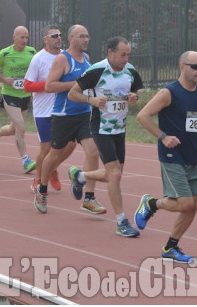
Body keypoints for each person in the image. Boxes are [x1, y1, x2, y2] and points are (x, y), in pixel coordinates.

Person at [134, 51, 197, 263]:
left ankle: (170, 248)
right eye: (195, 66)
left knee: (194, 204)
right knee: (185, 204)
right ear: (182, 66)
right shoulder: (168, 92)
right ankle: (151, 204)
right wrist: (163, 137)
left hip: (193, 155)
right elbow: (142, 116)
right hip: (172, 155)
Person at [67, 36, 143, 237]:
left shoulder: (131, 71)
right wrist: (91, 99)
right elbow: (72, 94)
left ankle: (80, 176)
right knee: (115, 175)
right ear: (110, 52)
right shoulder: (96, 71)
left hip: (120, 128)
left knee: (115, 175)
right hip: (101, 127)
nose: (126, 59)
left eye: (128, 55)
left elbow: (132, 94)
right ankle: (121, 222)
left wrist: (133, 98)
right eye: (122, 55)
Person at [33, 24, 104, 214]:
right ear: (71, 39)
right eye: (81, 36)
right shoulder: (62, 59)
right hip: (64, 115)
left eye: (87, 36)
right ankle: (42, 188)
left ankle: (89, 198)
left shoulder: (87, 59)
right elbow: (49, 86)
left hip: (84, 113)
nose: (86, 39)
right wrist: (77, 84)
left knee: (93, 152)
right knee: (54, 154)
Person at [24, 25, 76, 192]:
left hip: (62, 109)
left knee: (70, 144)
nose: (58, 38)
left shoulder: (66, 57)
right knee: (46, 148)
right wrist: (49, 85)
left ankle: (52, 168)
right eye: (54, 35)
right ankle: (38, 179)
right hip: (43, 111)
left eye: (60, 35)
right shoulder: (38, 58)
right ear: (45, 39)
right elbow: (27, 85)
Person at [0, 26, 38, 173]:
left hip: (25, 95)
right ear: (14, 37)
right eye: (22, 37)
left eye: (26, 37)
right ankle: (25, 161)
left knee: (13, 129)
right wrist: (4, 79)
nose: (24, 40)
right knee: (21, 127)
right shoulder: (4, 53)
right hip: (10, 95)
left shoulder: (32, 52)